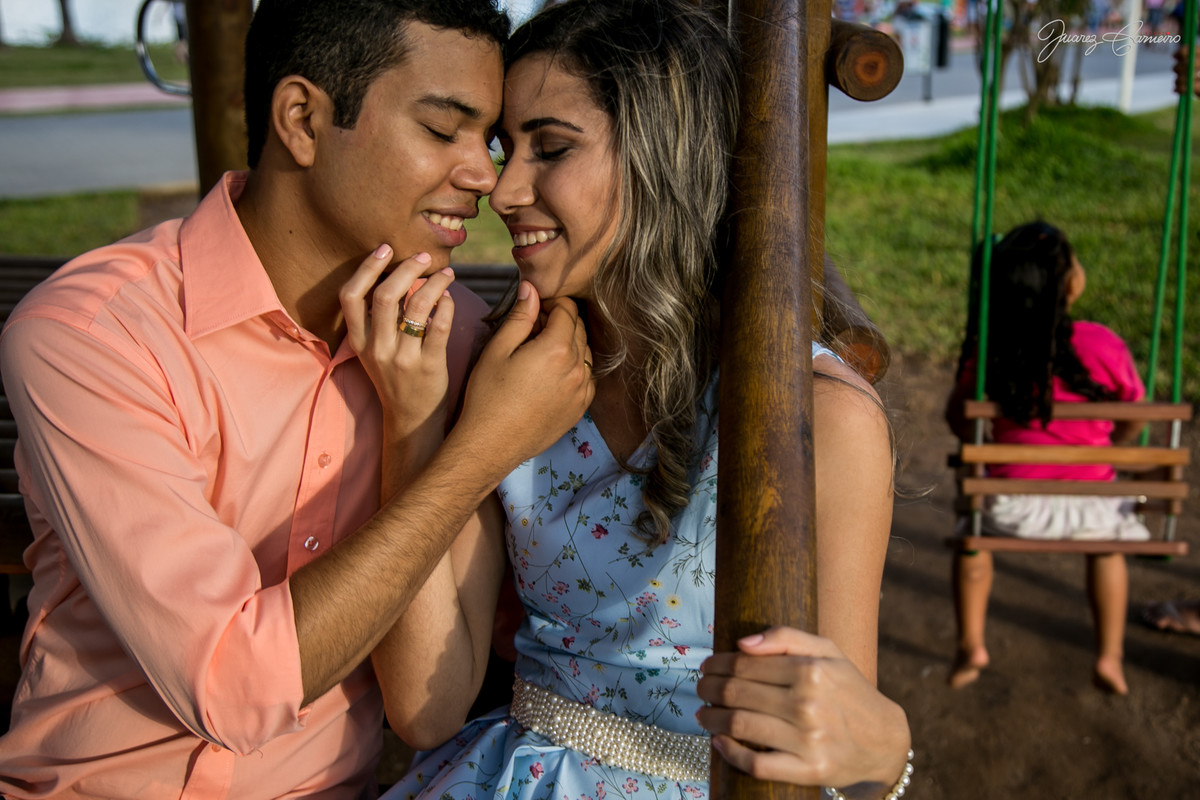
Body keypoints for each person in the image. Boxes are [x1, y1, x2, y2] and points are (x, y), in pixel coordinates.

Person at [0, 0, 596, 796]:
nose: (487, 178)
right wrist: (479, 451)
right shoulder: (96, 336)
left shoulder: (453, 353)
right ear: (303, 120)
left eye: (486, 139)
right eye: (441, 129)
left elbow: (449, 688)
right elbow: (232, 686)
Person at [364, 1, 913, 798]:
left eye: (549, 148)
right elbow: (427, 708)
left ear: (665, 156)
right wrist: (415, 424)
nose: (504, 188)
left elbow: (836, 733)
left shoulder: (818, 420)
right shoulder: (514, 375)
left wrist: (886, 753)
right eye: (503, 150)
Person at [944, 221, 1149, 696]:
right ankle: (1110, 656)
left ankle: (971, 645)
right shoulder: (1103, 344)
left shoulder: (994, 348)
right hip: (1094, 510)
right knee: (1108, 548)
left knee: (971, 541)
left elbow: (959, 420)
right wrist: (1114, 442)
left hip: (1010, 511)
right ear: (1072, 283)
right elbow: (1133, 415)